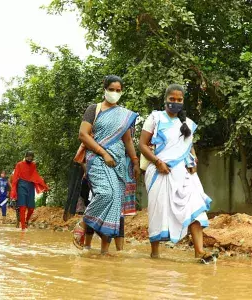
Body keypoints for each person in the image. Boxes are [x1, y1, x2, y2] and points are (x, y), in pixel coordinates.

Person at [139, 84, 214, 262]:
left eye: (179, 100)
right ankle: (155, 254)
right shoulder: (155, 118)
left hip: (185, 174)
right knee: (159, 213)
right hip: (161, 172)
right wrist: (158, 162)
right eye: (172, 99)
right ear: (165, 99)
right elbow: (142, 145)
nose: (175, 102)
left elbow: (190, 146)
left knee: (196, 208)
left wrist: (194, 160)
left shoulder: (187, 123)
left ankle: (199, 252)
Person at [72, 75, 140, 254]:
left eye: (118, 90)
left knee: (114, 206)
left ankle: (105, 252)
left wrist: (134, 161)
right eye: (112, 89)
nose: (115, 93)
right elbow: (83, 135)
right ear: (104, 89)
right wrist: (103, 153)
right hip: (98, 159)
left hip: (118, 162)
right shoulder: (94, 109)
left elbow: (127, 140)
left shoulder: (124, 115)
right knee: (105, 193)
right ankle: (83, 222)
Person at [10, 151, 48, 231]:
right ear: (25, 156)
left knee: (31, 207)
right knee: (22, 207)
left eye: (31, 157)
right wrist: (14, 189)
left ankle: (26, 220)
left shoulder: (33, 165)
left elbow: (35, 175)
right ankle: (23, 227)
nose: (30, 159)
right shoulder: (19, 164)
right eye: (28, 157)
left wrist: (44, 185)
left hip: (30, 186)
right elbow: (15, 177)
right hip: (21, 185)